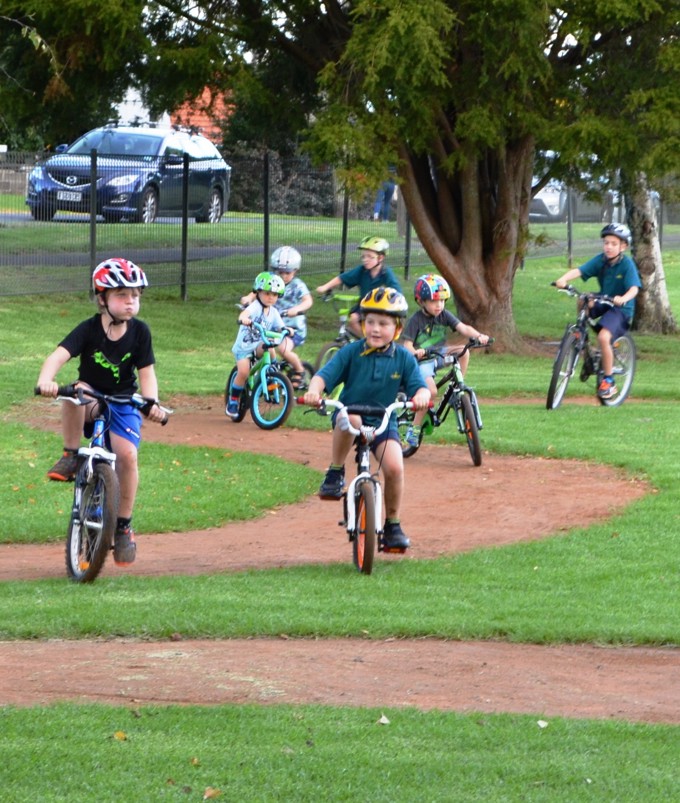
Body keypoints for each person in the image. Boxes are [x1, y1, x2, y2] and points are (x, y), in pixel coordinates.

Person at [35, 257, 165, 566]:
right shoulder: (89, 329)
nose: (130, 302)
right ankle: (70, 455)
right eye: (122, 295)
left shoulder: (140, 333)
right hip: (92, 397)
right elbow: (59, 355)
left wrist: (152, 402)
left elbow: (147, 373)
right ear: (102, 298)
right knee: (74, 394)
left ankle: (123, 526)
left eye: (135, 295)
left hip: (122, 400)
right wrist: (46, 380)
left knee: (128, 456)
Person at [303, 287, 430, 551]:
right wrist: (315, 391)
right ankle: (335, 472)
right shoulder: (350, 352)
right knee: (351, 418)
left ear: (396, 328)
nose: (375, 329)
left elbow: (421, 387)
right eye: (370, 322)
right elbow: (323, 376)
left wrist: (420, 396)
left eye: (383, 323)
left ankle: (393, 525)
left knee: (394, 468)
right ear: (361, 323)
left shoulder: (404, 358)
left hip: (384, 420)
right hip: (350, 417)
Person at [401, 273, 491, 447]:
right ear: (421, 301)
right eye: (435, 301)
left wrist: (479, 336)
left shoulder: (444, 315)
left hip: (439, 354)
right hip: (423, 362)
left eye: (442, 301)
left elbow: (463, 328)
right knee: (431, 393)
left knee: (463, 351)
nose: (439, 305)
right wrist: (415, 352)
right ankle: (415, 428)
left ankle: (458, 386)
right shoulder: (416, 320)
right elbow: (406, 345)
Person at [554, 222, 641, 399]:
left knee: (603, 337)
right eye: (606, 243)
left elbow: (634, 288)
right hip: (605, 298)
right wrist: (562, 279)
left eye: (613, 244)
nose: (608, 247)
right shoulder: (601, 260)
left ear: (623, 246)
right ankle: (582, 340)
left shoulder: (627, 265)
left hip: (621, 308)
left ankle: (608, 382)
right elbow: (580, 270)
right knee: (583, 300)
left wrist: (623, 298)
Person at [240, 246, 313, 388]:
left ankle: (300, 370)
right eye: (280, 272)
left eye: (287, 272)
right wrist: (248, 298)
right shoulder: (271, 281)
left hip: (292, 329)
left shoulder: (297, 285)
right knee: (258, 345)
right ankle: (267, 373)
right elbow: (257, 292)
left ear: (295, 271)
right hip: (272, 327)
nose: (283, 276)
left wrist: (295, 309)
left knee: (282, 349)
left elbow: (308, 301)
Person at [228, 271, 298, 416]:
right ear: (258, 292)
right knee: (243, 372)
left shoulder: (273, 312)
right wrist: (244, 319)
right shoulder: (255, 307)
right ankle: (233, 400)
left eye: (274, 295)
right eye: (267, 293)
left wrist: (287, 329)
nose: (270, 297)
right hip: (244, 347)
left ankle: (272, 372)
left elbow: (280, 326)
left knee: (271, 347)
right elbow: (244, 314)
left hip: (258, 344)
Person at [316, 236, 403, 339]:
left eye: (370, 257)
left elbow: (397, 293)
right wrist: (325, 287)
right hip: (365, 305)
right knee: (353, 319)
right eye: (363, 256)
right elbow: (342, 278)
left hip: (380, 308)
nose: (365, 260)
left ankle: (373, 342)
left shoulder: (386, 274)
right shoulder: (362, 271)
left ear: (380, 258)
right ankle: (367, 341)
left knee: (377, 324)